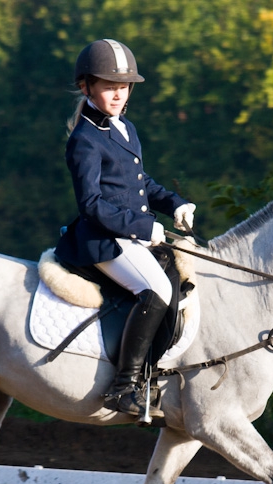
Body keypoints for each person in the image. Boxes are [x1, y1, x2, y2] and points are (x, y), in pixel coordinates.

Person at [55, 38, 196, 419]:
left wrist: (174, 204)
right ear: (86, 87)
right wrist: (143, 226)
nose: (118, 94)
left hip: (130, 235)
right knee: (156, 290)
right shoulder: (84, 140)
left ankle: (154, 373)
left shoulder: (124, 128)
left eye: (123, 87)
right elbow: (91, 205)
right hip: (102, 241)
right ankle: (124, 387)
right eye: (108, 86)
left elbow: (139, 183)